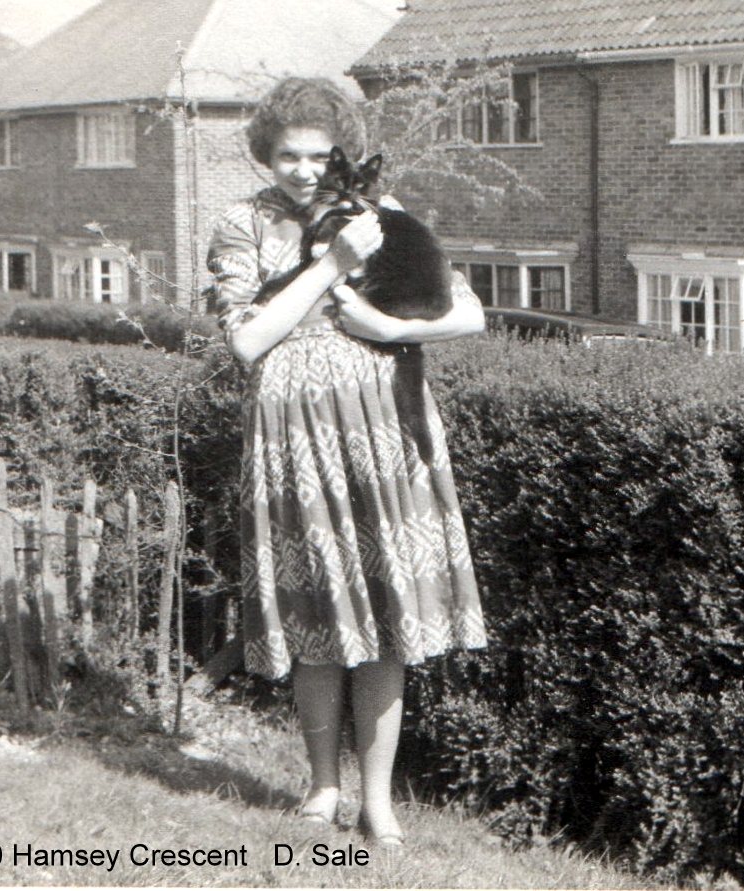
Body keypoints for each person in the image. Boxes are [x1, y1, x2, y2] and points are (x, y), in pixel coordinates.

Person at [207, 77, 487, 848]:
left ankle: (378, 801)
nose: (303, 170)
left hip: (383, 429)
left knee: (386, 619)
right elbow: (247, 339)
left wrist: (388, 326)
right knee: (318, 615)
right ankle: (322, 786)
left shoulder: (380, 211)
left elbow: (468, 312)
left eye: (318, 155)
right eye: (287, 156)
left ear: (342, 154)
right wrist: (332, 264)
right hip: (294, 434)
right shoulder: (241, 224)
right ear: (266, 154)